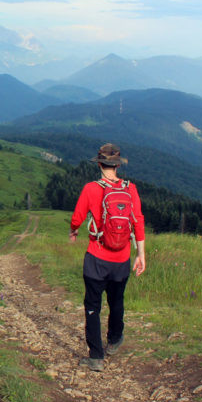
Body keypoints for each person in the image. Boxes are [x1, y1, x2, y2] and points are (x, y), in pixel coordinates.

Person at [69, 143, 146, 371]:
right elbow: (138, 221)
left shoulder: (91, 188)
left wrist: (73, 231)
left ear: (100, 164)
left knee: (93, 304)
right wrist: (140, 254)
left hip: (96, 259)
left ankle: (96, 356)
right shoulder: (130, 189)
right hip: (121, 260)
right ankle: (114, 340)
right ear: (118, 165)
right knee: (117, 301)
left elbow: (77, 218)